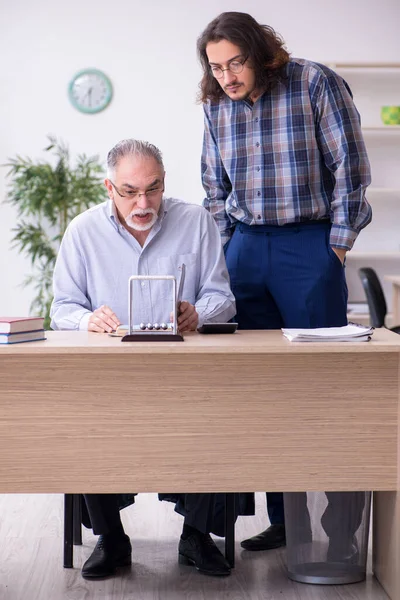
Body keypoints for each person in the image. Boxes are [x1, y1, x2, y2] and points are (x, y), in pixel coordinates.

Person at [198, 11, 372, 553]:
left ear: (259, 50)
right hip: (245, 249)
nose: (227, 76)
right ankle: (284, 519)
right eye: (216, 67)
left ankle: (338, 532)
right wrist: (227, 246)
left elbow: (352, 166)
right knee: (260, 389)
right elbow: (212, 183)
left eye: (236, 62)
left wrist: (338, 244)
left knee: (319, 389)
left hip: (309, 246)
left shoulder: (314, 82)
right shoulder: (215, 106)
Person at [50, 138, 252, 579]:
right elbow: (62, 308)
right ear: (109, 188)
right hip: (111, 379)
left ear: (164, 183)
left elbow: (223, 297)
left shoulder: (196, 222)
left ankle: (196, 535)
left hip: (186, 374)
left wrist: (199, 312)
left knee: (220, 414)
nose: (143, 203)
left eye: (153, 189)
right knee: (83, 419)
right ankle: (111, 538)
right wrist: (89, 320)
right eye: (130, 192)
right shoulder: (83, 231)